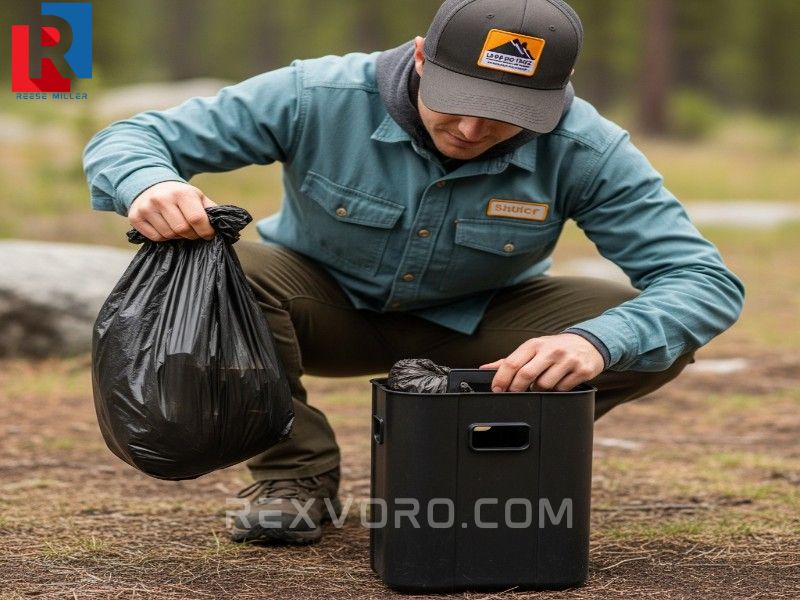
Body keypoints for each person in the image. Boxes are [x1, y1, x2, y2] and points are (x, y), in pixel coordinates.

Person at [83, 0, 744, 545]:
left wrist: (597, 342)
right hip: (317, 313)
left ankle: (469, 459)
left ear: (554, 94)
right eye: (457, 99)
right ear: (423, 57)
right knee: (229, 268)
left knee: (636, 330)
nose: (470, 127)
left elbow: (702, 280)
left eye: (505, 112)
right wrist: (149, 184)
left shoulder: (586, 147)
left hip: (479, 332)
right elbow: (130, 138)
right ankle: (295, 477)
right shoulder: (317, 94)